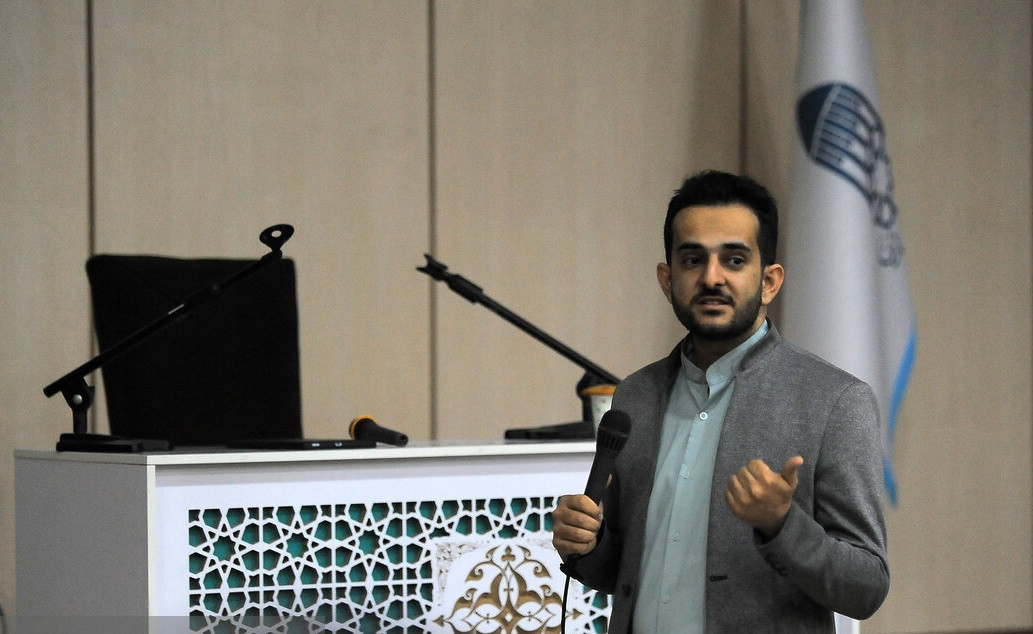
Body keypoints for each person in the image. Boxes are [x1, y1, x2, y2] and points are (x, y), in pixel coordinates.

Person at [552, 170, 889, 633]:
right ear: (667, 279)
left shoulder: (834, 402)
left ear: (769, 281)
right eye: (693, 260)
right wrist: (587, 543)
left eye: (734, 260)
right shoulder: (636, 395)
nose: (711, 278)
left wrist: (783, 525)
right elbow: (622, 573)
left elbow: (867, 587)